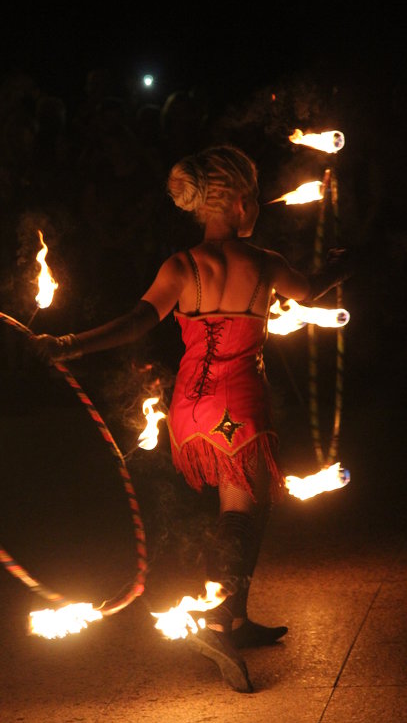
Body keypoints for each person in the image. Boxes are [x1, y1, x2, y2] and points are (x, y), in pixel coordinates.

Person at [30, 144, 351, 692]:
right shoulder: (265, 262)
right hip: (240, 402)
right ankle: (214, 618)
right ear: (243, 204)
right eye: (254, 201)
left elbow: (135, 322)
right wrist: (346, 259)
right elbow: (310, 289)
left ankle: (239, 617)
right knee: (241, 512)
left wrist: (66, 344)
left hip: (189, 406)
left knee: (251, 506)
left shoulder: (181, 266)